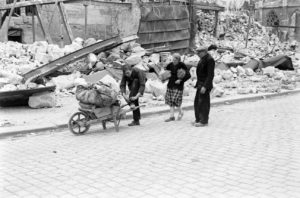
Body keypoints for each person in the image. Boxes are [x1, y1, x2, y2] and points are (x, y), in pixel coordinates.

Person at [164, 53, 191, 122]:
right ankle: (172, 116)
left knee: (176, 100)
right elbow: (167, 73)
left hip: (178, 86)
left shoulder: (182, 65)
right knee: (170, 101)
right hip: (170, 84)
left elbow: (188, 75)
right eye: (173, 59)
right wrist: (164, 76)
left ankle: (181, 112)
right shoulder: (170, 65)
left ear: (178, 60)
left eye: (175, 59)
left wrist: (180, 80)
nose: (173, 61)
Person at [193, 47, 215, 127]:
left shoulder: (210, 60)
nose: (198, 54)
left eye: (199, 53)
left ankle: (204, 121)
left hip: (204, 85)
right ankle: (198, 119)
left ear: (204, 52)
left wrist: (205, 86)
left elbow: (210, 75)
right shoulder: (203, 58)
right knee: (197, 103)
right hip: (200, 83)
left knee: (204, 103)